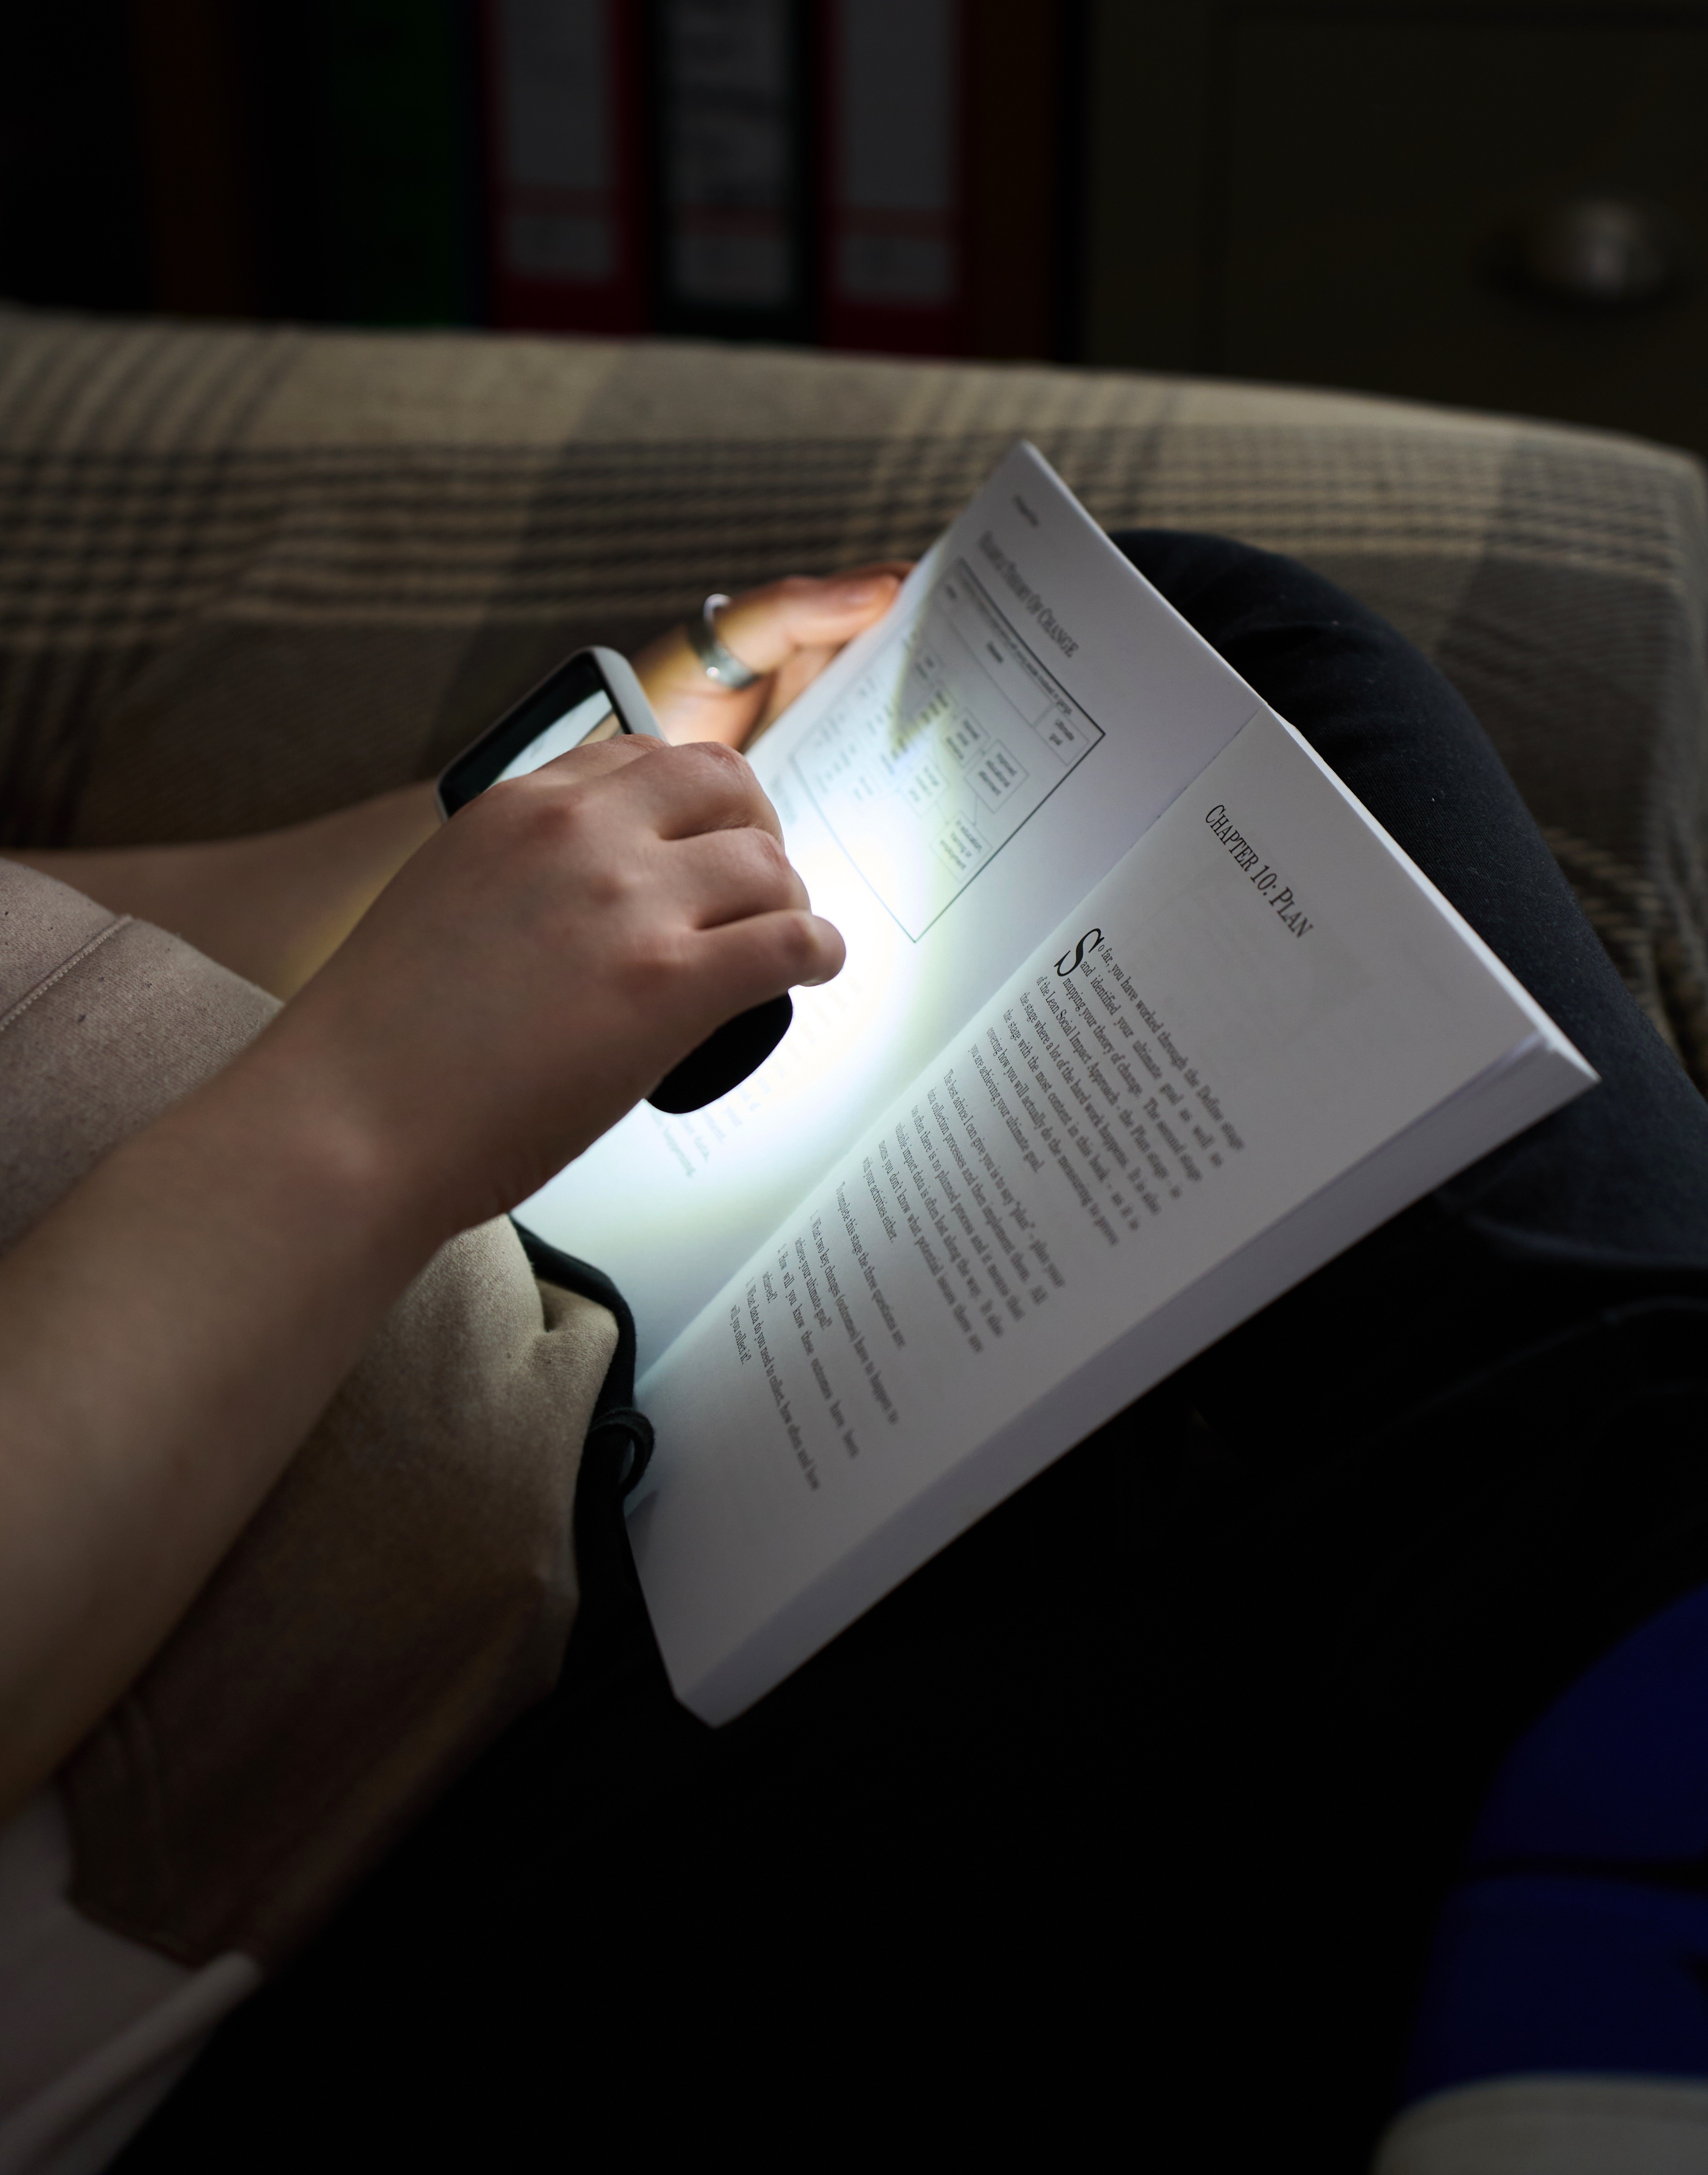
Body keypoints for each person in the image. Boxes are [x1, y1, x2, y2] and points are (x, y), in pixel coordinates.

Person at [5, 537, 1708, 2175]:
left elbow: (77, 945)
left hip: (516, 1291)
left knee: (1218, 655)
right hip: (387, 1784)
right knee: (1570, 1460)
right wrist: (366, 1104)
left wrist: (575, 802)